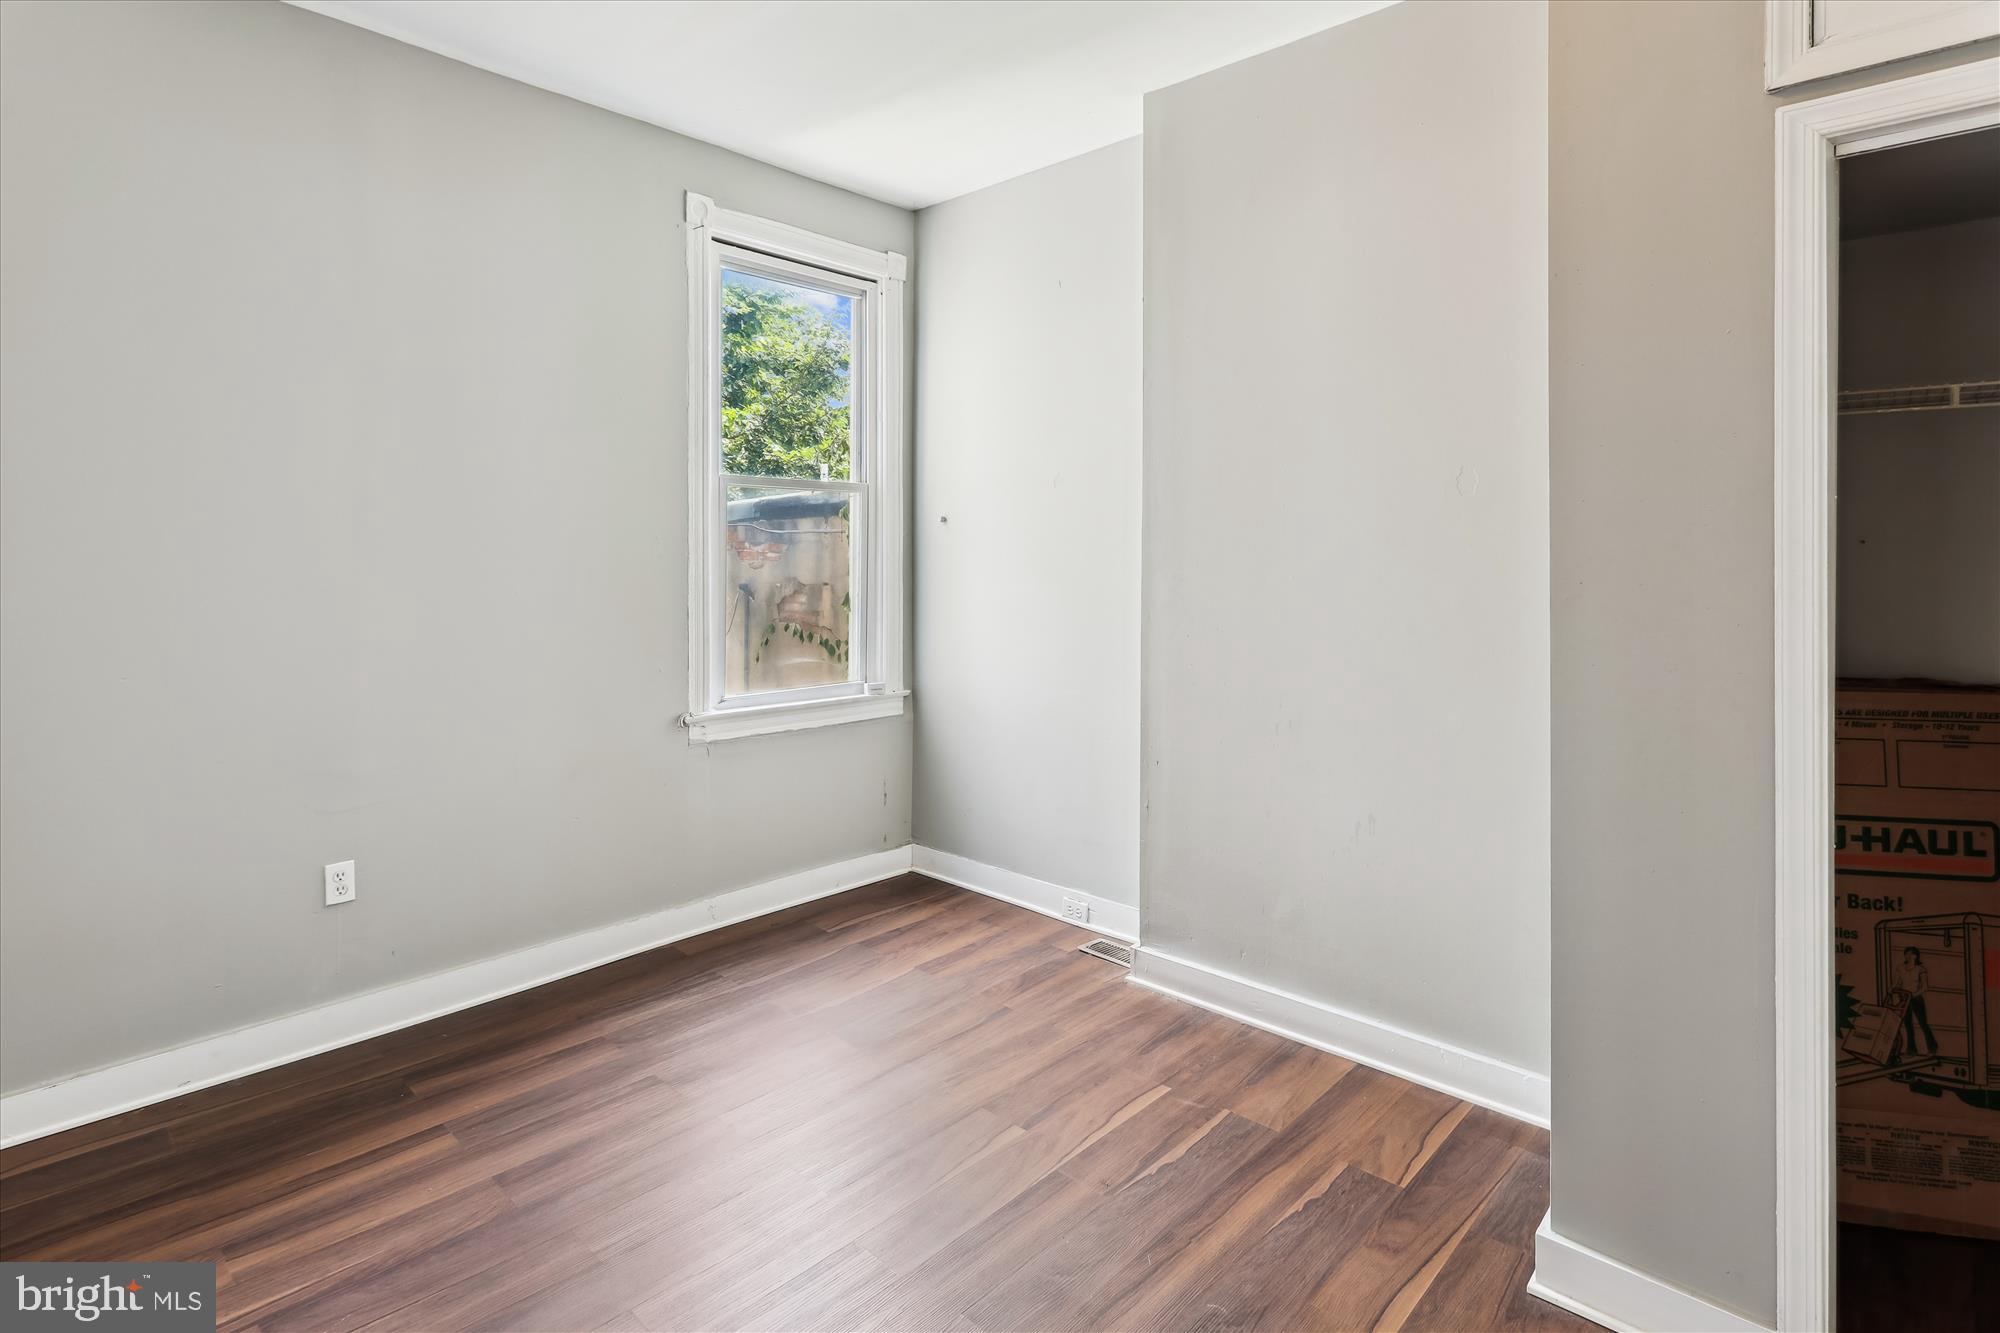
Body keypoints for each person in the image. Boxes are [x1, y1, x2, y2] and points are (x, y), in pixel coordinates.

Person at [1898, 945, 1938, 1060]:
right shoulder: (1900, 968)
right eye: (1907, 954)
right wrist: (1893, 990)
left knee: (1923, 1024)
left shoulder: (1920, 969)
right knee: (1908, 1025)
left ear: (1916, 956)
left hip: (1916, 999)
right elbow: (1896, 983)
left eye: (1911, 954)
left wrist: (1913, 994)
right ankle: (1911, 1050)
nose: (1908, 956)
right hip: (1904, 999)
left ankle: (1932, 1047)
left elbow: (1925, 987)